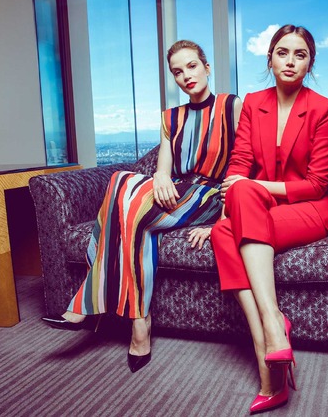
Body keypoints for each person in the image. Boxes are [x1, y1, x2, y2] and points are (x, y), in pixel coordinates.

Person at [42, 40, 242, 374]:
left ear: (207, 67)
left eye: (192, 66)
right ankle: (140, 320)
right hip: (175, 191)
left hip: (209, 195)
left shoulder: (231, 105)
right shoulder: (170, 118)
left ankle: (89, 304)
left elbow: (243, 167)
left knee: (123, 194)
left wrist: (220, 222)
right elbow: (164, 167)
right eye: (177, 71)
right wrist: (161, 175)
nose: (186, 75)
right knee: (123, 187)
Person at [210, 25, 328, 414]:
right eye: (282, 52)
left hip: (314, 206)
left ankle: (271, 346)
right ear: (270, 59)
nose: (290, 61)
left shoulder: (322, 108)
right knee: (222, 229)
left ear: (310, 63)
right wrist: (229, 206)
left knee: (232, 221)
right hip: (264, 207)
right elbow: (239, 164)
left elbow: (316, 184)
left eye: (300, 54)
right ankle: (272, 335)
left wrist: (252, 187)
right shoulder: (253, 103)